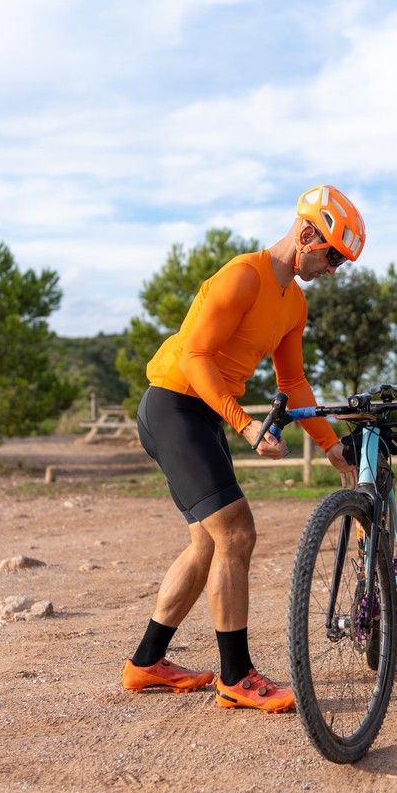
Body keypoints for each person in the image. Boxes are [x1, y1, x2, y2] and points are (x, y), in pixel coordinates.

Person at [121, 185, 365, 713]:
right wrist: (247, 425)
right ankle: (237, 676)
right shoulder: (243, 276)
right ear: (306, 235)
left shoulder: (293, 302)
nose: (333, 270)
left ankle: (146, 663)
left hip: (202, 415)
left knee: (208, 544)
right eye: (332, 256)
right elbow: (194, 357)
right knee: (237, 532)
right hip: (173, 405)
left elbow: (294, 381)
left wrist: (329, 447)